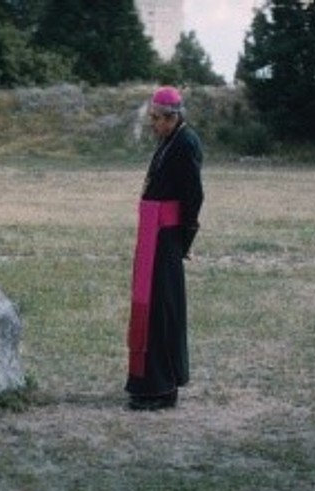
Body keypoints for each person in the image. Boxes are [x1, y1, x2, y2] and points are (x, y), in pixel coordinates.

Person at [125, 86, 204, 411]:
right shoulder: (169, 140)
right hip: (153, 235)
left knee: (161, 310)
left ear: (173, 117)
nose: (153, 123)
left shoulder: (186, 143)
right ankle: (148, 384)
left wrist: (184, 240)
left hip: (166, 237)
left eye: (157, 118)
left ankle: (162, 387)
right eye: (152, 117)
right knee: (149, 306)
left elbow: (194, 196)